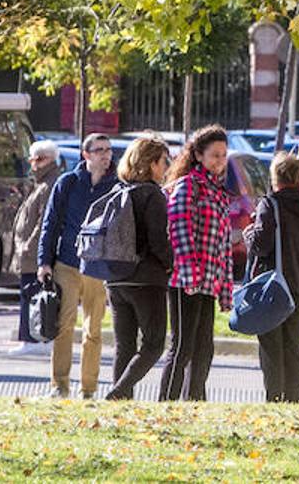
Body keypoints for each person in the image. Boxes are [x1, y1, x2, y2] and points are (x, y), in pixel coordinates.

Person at [244, 151, 299, 402]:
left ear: (276, 178)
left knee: (271, 346)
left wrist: (249, 232)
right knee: (293, 345)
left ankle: (274, 398)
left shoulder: (270, 205)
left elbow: (260, 244)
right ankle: (294, 399)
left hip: (272, 286)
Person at [37, 132, 118, 399]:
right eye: (99, 150)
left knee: (93, 330)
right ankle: (59, 385)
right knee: (63, 324)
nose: (106, 155)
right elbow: (50, 223)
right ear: (86, 155)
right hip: (67, 263)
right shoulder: (68, 183)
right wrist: (44, 262)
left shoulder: (116, 186)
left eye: (108, 150)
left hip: (97, 267)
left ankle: (88, 389)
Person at [160, 124, 232, 401]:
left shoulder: (218, 191)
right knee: (182, 348)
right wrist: (190, 276)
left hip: (209, 282)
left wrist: (225, 288)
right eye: (215, 155)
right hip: (185, 281)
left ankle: (194, 403)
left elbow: (223, 246)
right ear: (199, 155)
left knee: (204, 349)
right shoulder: (188, 185)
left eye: (223, 155)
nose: (220, 161)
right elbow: (179, 231)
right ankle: (166, 403)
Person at [105, 135, 173, 401]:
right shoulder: (152, 195)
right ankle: (119, 391)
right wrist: (171, 264)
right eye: (163, 161)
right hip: (146, 280)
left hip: (116, 278)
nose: (166, 167)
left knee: (124, 345)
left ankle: (121, 402)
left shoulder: (119, 191)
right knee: (154, 344)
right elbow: (158, 240)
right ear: (152, 163)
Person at [9, 139, 61, 356]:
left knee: (33, 295)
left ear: (51, 159)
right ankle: (30, 338)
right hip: (29, 251)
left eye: (40, 159)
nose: (35, 164)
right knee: (29, 294)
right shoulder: (41, 183)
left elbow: (43, 222)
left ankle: (34, 339)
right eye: (33, 159)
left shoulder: (49, 184)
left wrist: (29, 247)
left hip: (34, 253)